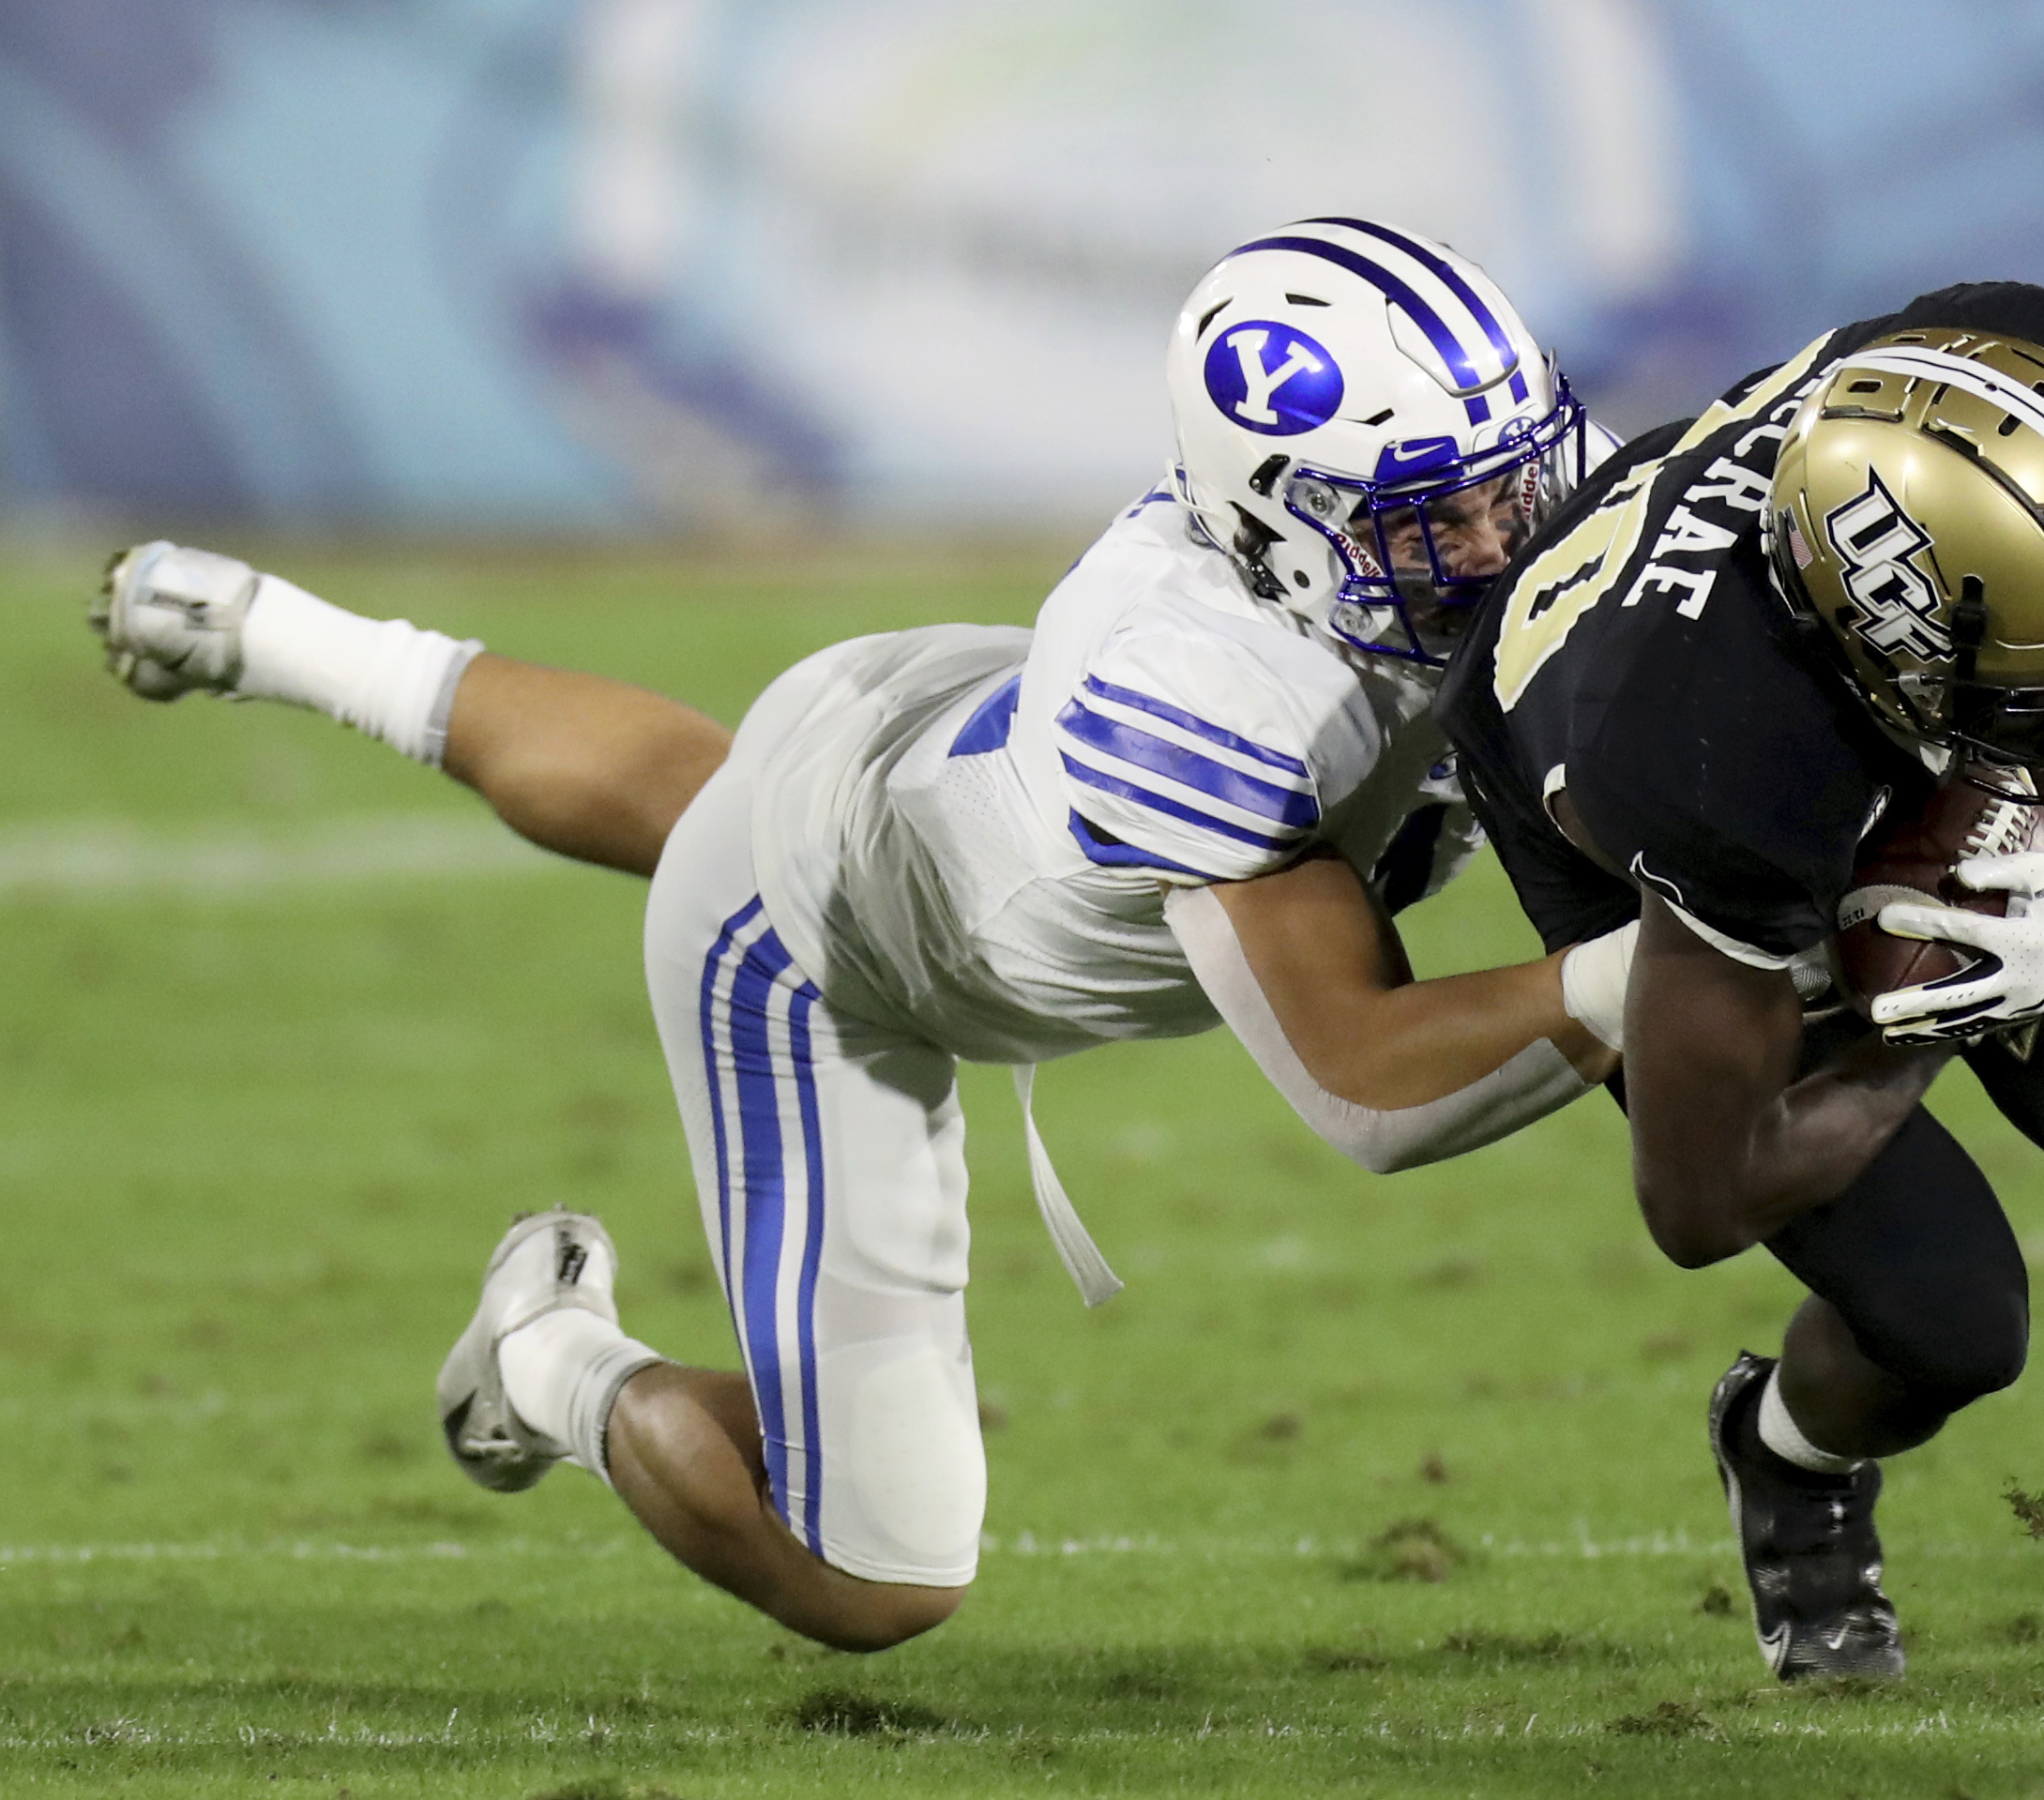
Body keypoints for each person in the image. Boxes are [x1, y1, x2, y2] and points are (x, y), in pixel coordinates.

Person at [91, 219, 1651, 1653]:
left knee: (705, 791)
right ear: (1284, 530)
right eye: (1440, 516)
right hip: (826, 942)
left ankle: (279, 636)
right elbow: (1367, 1084)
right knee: (880, 1575)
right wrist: (1692, 960)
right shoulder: (1222, 699)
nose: (1509, 537)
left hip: (920, 743)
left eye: (1517, 479)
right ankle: (544, 1357)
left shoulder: (1323, 575)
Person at [1435, 280, 2044, 1684]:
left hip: (1833, 677)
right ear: (1895, 652)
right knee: (1951, 1317)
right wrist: (1937, 1018)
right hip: (1630, 793)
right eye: (2024, 695)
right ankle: (1782, 1463)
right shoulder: (1701, 764)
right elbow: (1695, 1201)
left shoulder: (2002, 380)